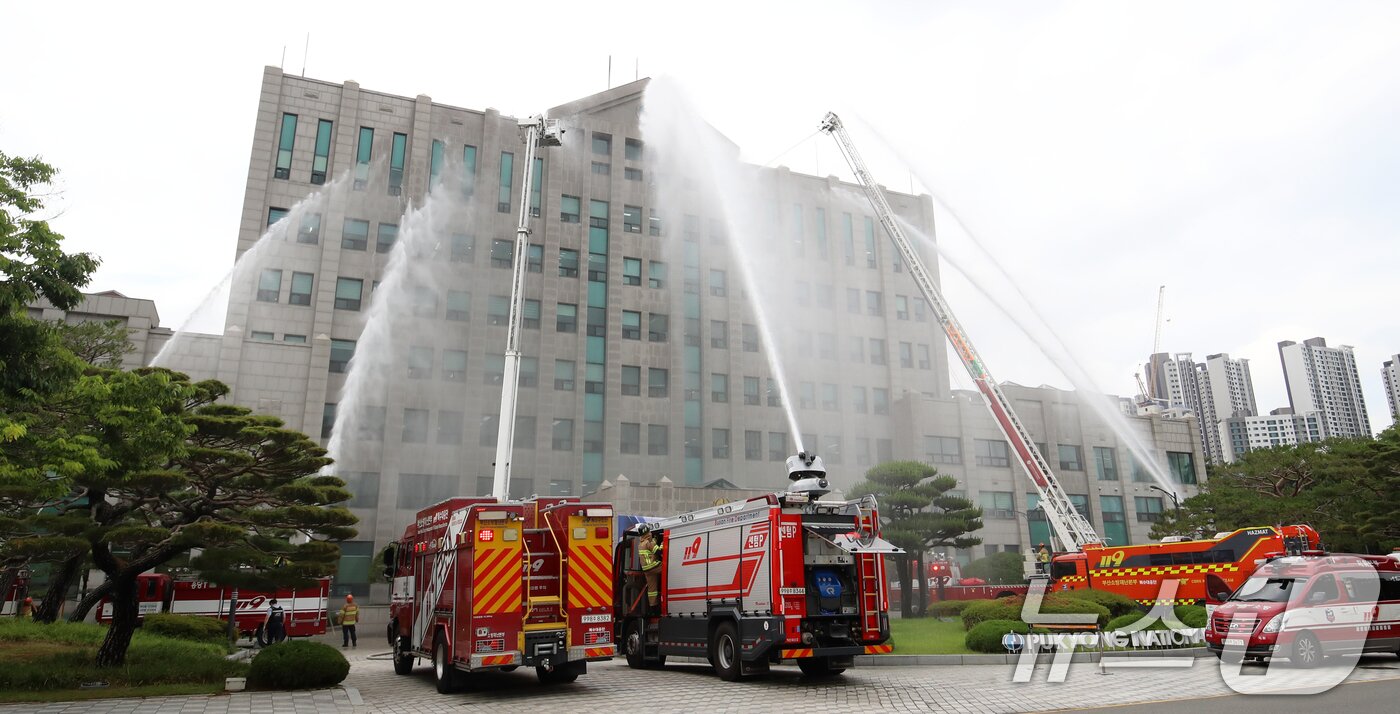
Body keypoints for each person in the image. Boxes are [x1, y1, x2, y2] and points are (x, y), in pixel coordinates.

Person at [638, 528, 664, 608]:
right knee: (669, 569)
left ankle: (653, 607)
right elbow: (659, 551)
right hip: (654, 566)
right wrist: (663, 542)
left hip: (647, 570)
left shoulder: (640, 544)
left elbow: (650, 549)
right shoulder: (648, 543)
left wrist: (655, 540)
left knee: (652, 589)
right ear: (647, 534)